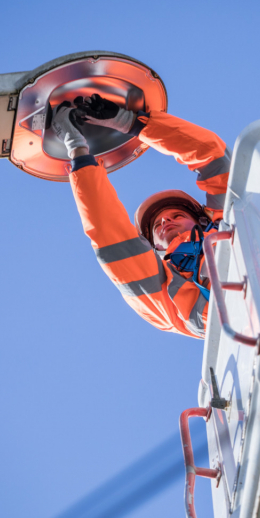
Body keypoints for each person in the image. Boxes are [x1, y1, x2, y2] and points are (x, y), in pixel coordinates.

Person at [50, 96, 231, 339]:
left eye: (177, 215)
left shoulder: (227, 225)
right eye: (157, 225)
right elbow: (110, 233)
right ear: (155, 247)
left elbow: (214, 157)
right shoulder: (162, 294)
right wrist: (76, 146)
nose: (166, 221)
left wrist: (128, 122)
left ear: (201, 221)